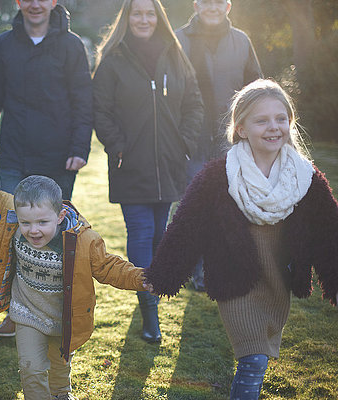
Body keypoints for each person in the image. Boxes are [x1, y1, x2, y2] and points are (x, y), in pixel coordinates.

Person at [144, 79, 338, 399]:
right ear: (242, 129)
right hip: (236, 280)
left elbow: (329, 234)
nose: (273, 127)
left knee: (258, 360)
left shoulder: (305, 178)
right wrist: (163, 275)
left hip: (278, 282)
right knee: (253, 358)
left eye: (281, 118)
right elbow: (186, 227)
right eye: (261, 120)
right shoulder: (218, 176)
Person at [92, 0, 203, 343]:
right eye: (137, 13)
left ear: (159, 17)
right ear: (127, 18)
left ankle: (148, 295)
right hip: (131, 164)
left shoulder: (175, 54)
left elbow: (194, 103)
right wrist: (118, 145)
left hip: (170, 163)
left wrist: (184, 142)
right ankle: (150, 313)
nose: (144, 19)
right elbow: (101, 110)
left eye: (150, 13)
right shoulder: (113, 60)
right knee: (140, 232)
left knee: (159, 233)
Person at [0, 0, 93, 337]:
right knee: (15, 235)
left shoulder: (71, 46)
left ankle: (52, 315)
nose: (35, 4)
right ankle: (15, 316)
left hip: (59, 159)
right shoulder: (2, 46)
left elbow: (83, 100)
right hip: (13, 157)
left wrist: (79, 147)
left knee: (52, 236)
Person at [0, 175, 146, 400]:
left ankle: (61, 394)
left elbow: (108, 267)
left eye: (42, 222)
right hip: (27, 313)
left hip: (63, 318)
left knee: (59, 367)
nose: (33, 230)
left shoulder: (82, 241)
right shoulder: (13, 214)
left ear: (60, 216)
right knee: (31, 368)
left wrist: (144, 278)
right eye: (25, 223)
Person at [176, 0, 263, 291]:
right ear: (196, 5)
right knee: (195, 206)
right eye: (206, 2)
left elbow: (256, 89)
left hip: (231, 139)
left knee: (231, 204)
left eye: (218, 2)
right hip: (190, 137)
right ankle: (196, 272)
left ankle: (225, 268)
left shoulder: (241, 41)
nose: (212, 7)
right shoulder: (178, 40)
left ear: (228, 6)